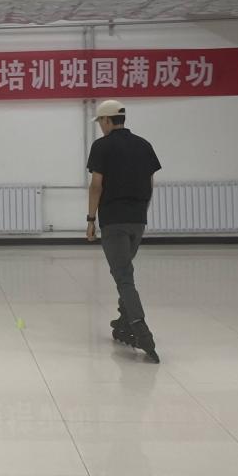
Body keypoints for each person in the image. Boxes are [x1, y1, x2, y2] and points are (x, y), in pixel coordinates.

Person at [86, 99, 161, 363]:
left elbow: (96, 185)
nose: (101, 126)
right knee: (124, 269)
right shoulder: (144, 145)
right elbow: (150, 183)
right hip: (137, 220)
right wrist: (141, 212)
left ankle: (140, 328)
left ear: (107, 120)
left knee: (123, 276)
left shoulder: (102, 146)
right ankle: (123, 319)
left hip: (113, 221)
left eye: (101, 122)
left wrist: (91, 219)